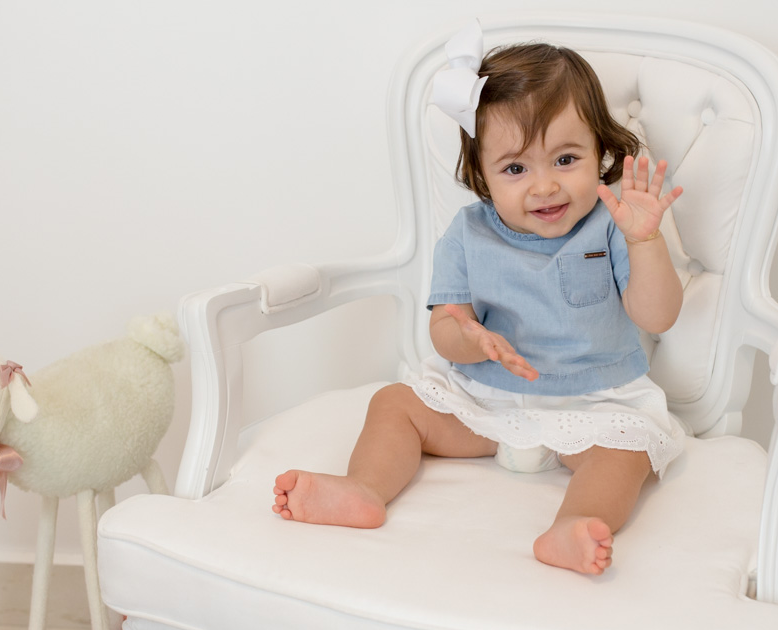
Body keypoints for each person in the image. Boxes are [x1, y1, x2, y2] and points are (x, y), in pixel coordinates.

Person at [272, 21, 687, 575]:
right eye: (515, 168)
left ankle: (574, 524)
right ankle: (364, 489)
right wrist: (471, 339)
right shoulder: (467, 234)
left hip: (594, 405)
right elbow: (446, 328)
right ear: (484, 176)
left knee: (626, 454)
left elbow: (657, 316)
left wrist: (645, 241)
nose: (544, 186)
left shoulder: (612, 224)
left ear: (601, 152)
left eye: (566, 160)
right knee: (393, 404)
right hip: (485, 400)